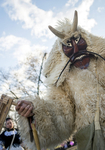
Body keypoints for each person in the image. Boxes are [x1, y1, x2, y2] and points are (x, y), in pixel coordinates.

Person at [15, 10, 105, 150]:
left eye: (77, 40)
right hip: (91, 141)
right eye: (68, 44)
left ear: (86, 39)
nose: (75, 48)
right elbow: (60, 113)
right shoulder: (65, 82)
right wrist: (36, 112)